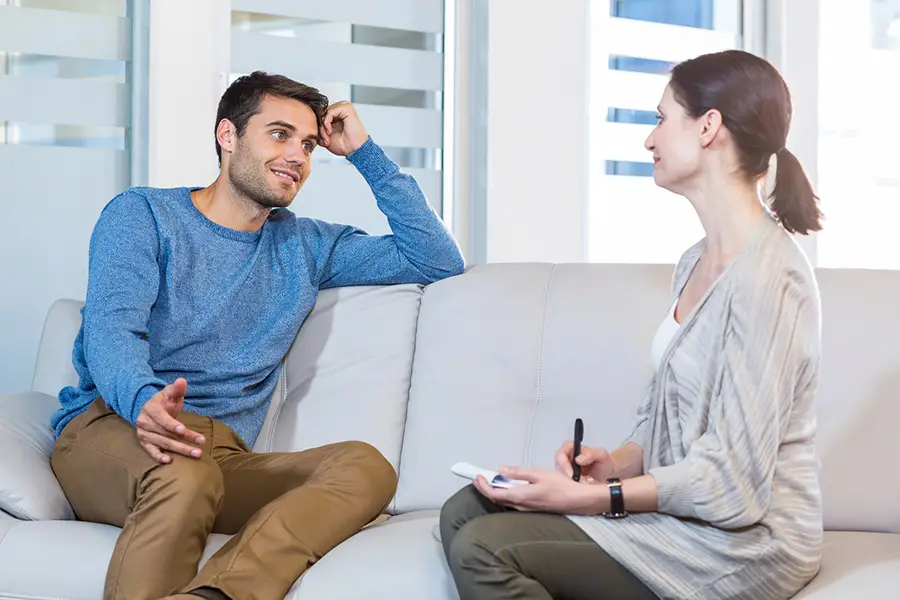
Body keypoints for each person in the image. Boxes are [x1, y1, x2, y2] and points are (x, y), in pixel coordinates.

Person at [49, 71, 465, 600]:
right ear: (228, 135)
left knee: (365, 467)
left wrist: (364, 154)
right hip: (116, 428)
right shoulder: (143, 214)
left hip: (220, 456)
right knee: (186, 475)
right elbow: (112, 327)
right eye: (279, 134)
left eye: (308, 145)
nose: (297, 156)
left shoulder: (306, 246)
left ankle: (215, 596)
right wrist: (142, 400)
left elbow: (436, 259)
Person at [440, 49, 824, 600]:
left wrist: (593, 498)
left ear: (709, 127)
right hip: (686, 515)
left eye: (662, 119)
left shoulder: (770, 280)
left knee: (483, 547)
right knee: (466, 507)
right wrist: (612, 466)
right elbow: (667, 418)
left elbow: (732, 485)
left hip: (744, 543)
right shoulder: (695, 262)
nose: (649, 139)